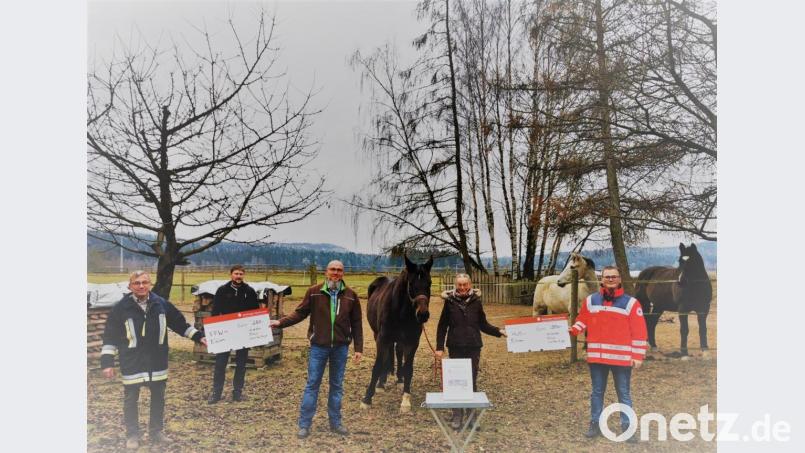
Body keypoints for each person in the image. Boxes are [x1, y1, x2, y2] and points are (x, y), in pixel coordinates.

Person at [100, 270, 207, 450]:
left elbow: (180, 323)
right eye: (137, 283)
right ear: (130, 286)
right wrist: (107, 363)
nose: (141, 286)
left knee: (158, 397)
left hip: (156, 360)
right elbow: (110, 336)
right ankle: (132, 434)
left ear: (150, 284)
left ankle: (156, 431)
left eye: (144, 282)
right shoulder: (120, 308)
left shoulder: (161, 304)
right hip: (132, 361)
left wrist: (198, 337)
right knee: (131, 398)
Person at [269, 260, 363, 439]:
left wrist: (358, 347)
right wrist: (280, 322)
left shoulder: (351, 295)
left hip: (340, 348)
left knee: (337, 386)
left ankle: (335, 423)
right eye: (332, 269)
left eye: (339, 270)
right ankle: (304, 425)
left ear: (343, 273)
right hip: (319, 347)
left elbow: (357, 323)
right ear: (326, 272)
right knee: (312, 385)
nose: (335, 272)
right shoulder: (314, 293)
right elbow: (300, 313)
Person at [569, 265, 648, 442]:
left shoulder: (631, 303)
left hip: (621, 359)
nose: (610, 279)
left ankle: (627, 427)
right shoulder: (590, 301)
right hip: (597, 358)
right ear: (601, 279)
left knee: (623, 393)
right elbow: (582, 321)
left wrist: (637, 356)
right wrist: (573, 329)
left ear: (619, 279)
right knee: (597, 392)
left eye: (614, 277)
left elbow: (639, 331)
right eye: (607, 277)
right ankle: (595, 423)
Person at [435, 273, 506, 430]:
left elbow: (483, 324)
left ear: (470, 285)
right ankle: (457, 415)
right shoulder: (449, 303)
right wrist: (439, 348)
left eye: (465, 284)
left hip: (473, 346)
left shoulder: (476, 302)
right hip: (455, 346)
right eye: (459, 285)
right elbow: (442, 326)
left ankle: (471, 416)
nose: (462, 288)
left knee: (471, 380)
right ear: (455, 285)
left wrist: (499, 331)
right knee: (456, 382)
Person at [208, 265, 260, 404]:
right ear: (231, 274)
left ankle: (237, 392)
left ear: (244, 275)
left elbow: (255, 311)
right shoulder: (222, 290)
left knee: (241, 363)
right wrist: (215, 329)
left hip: (242, 331)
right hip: (226, 330)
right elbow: (215, 311)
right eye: (236, 273)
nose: (238, 276)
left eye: (241, 274)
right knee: (220, 363)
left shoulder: (249, 291)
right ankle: (216, 392)